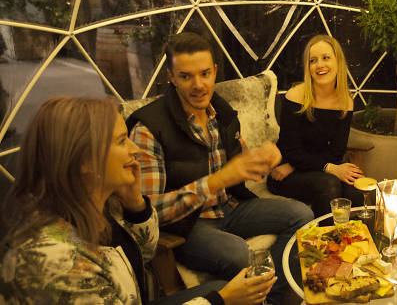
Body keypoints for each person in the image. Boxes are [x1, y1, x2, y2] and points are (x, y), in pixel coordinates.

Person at [0, 96, 275, 305]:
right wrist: (221, 300)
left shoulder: (99, 203)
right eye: (121, 141)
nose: (134, 149)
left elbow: (144, 252)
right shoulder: (56, 261)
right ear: (85, 160)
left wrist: (135, 202)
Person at [127, 32, 313, 304]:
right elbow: (149, 211)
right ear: (171, 76)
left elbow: (242, 165)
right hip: (189, 225)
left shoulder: (220, 111)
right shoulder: (148, 129)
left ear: (214, 71)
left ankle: (271, 299)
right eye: (186, 76)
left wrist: (263, 157)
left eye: (204, 74)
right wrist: (213, 182)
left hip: (231, 206)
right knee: (240, 255)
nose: (198, 85)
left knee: (302, 215)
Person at [267, 34, 364, 217]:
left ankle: (353, 242)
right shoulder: (295, 96)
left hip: (305, 166)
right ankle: (322, 241)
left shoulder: (345, 102)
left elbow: (337, 151)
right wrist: (329, 168)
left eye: (326, 58)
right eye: (313, 60)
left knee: (357, 188)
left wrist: (333, 167)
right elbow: (291, 151)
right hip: (285, 173)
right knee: (329, 185)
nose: (319, 65)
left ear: (338, 62)